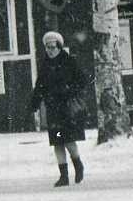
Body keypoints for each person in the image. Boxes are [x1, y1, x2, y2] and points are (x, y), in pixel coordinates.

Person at [26, 31, 87, 187]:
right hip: (53, 108)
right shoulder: (45, 65)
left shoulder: (69, 62)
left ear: (59, 47)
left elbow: (82, 80)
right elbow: (39, 86)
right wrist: (34, 103)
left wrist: (70, 90)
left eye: (53, 47)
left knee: (69, 140)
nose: (50, 50)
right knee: (57, 141)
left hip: (67, 109)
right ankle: (64, 176)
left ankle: (78, 165)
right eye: (47, 47)